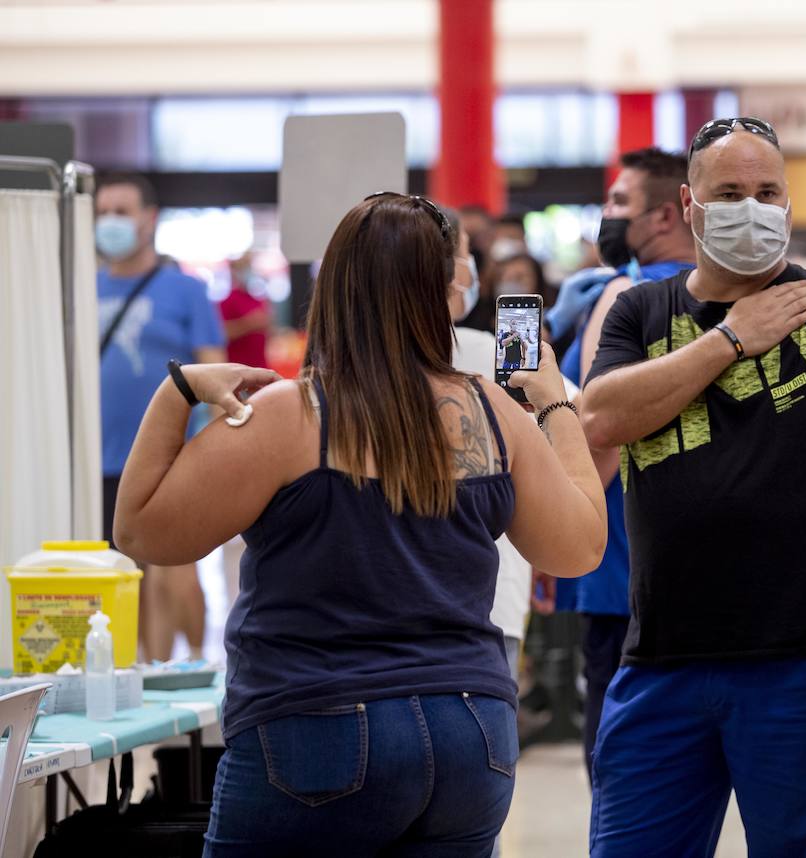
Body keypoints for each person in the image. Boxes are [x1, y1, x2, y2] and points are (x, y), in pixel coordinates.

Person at [113, 192, 608, 855]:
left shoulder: (290, 415)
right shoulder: (492, 410)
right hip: (472, 733)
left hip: (317, 728)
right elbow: (579, 548)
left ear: (334, 288)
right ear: (443, 288)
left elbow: (141, 532)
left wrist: (176, 393)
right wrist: (552, 407)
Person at [580, 118, 806, 856]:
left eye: (767, 192)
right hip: (661, 661)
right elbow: (599, 418)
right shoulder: (642, 311)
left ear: (790, 207)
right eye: (729, 192)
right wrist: (732, 337)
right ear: (689, 208)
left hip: (800, 668)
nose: (751, 208)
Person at [539, 146, 697, 778]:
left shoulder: (625, 298)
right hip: (686, 561)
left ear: (664, 215)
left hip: (615, 556)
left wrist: (558, 531)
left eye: (619, 203)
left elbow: (598, 434)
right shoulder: (726, 301)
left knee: (621, 754)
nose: (606, 216)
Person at [95, 171, 225, 662]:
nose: (110, 222)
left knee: (177, 571)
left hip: (173, 455)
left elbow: (216, 373)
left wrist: (215, 449)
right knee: (123, 582)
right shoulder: (80, 286)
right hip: (101, 459)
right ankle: (138, 676)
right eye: (103, 212)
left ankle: (190, 672)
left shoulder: (185, 290)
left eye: (122, 211)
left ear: (148, 219)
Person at [219, 252, 272, 369]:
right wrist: (248, 324)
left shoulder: (257, 299)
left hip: (260, 365)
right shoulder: (227, 301)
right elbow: (221, 333)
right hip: (238, 367)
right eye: (244, 267)